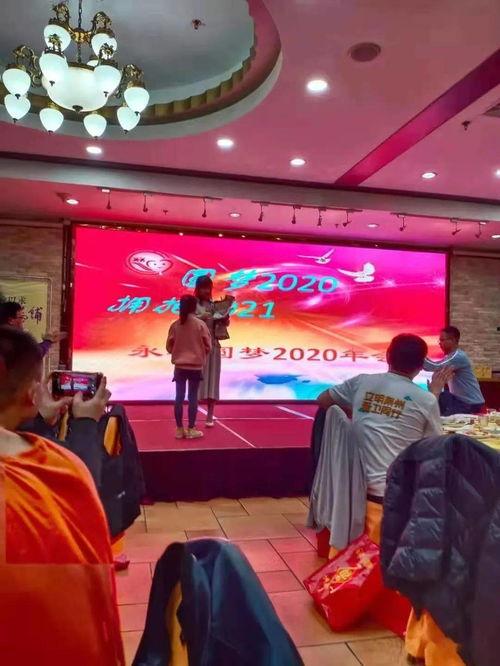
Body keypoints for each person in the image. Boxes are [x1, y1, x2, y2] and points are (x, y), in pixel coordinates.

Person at [0, 326, 124, 664]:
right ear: (31, 394)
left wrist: (41, 420)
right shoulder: (54, 466)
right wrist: (85, 424)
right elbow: (75, 493)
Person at [317, 334, 447, 544]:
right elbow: (435, 449)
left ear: (388, 356)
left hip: (350, 487)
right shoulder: (426, 400)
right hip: (393, 494)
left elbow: (323, 399)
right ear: (421, 365)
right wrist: (435, 394)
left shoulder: (361, 382)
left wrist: (355, 412)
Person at [167, 294, 212, 439]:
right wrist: (200, 354)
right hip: (195, 367)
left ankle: (179, 429)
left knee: (179, 397)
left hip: (179, 366)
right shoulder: (200, 324)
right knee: (193, 397)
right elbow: (208, 346)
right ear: (194, 307)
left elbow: (169, 346)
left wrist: (178, 352)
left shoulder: (175, 325)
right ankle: (191, 429)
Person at [193, 276, 235, 427]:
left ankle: (210, 416)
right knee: (196, 382)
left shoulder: (214, 305)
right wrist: (202, 317)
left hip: (213, 346)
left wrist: (224, 319)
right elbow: (188, 321)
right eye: (203, 288)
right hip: (197, 347)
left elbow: (223, 325)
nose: (206, 291)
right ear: (197, 289)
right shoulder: (192, 305)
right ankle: (192, 416)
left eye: (208, 288)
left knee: (213, 381)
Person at [423, 326, 485, 416]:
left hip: (469, 404)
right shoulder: (451, 356)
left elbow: (434, 366)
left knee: (443, 416)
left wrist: (418, 353)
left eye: (442, 340)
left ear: (453, 340)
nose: (440, 343)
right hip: (460, 401)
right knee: (441, 398)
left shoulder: (458, 356)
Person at [0, 299, 66, 357]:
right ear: (11, 320)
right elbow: (35, 353)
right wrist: (48, 341)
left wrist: (48, 341)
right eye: (21, 317)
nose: (23, 320)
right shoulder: (12, 341)